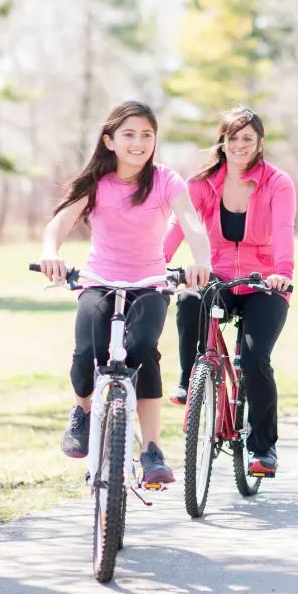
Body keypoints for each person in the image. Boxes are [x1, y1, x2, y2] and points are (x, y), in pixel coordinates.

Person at [38, 100, 212, 485]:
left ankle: (151, 449)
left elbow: (192, 225)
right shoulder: (96, 184)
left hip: (149, 284)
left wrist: (201, 260)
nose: (138, 143)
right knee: (88, 351)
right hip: (99, 281)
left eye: (147, 135)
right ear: (110, 140)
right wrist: (51, 253)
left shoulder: (166, 180)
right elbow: (58, 225)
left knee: (143, 352)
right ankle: (82, 412)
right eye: (129, 134)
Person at [164, 105, 295, 478]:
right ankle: (191, 379)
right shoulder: (202, 184)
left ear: (259, 143)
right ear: (222, 141)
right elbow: (178, 226)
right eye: (233, 138)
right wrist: (157, 264)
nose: (240, 145)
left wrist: (282, 273)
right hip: (216, 276)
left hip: (263, 282)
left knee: (255, 361)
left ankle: (263, 448)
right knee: (189, 299)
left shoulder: (277, 182)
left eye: (247, 139)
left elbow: (284, 228)